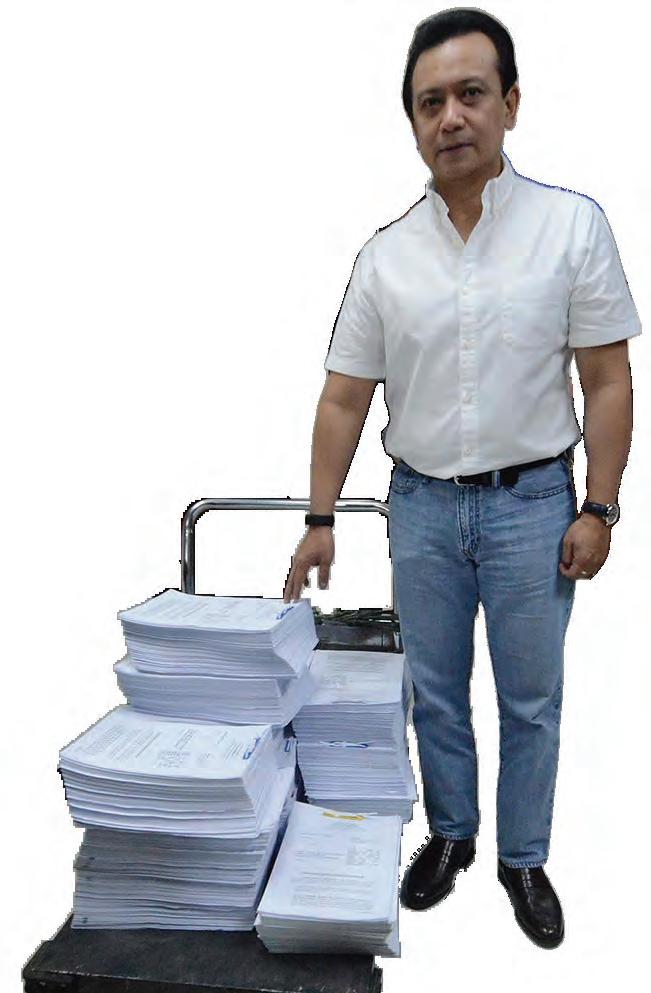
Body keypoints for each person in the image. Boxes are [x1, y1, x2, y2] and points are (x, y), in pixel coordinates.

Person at [282, 7, 641, 950]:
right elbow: (343, 398)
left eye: (470, 94)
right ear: (410, 121)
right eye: (428, 102)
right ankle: (451, 833)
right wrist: (320, 516)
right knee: (432, 690)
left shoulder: (570, 228)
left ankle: (523, 856)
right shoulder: (385, 257)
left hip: (535, 507)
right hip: (423, 510)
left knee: (530, 698)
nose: (450, 117)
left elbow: (606, 379)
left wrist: (600, 506)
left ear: (510, 104)